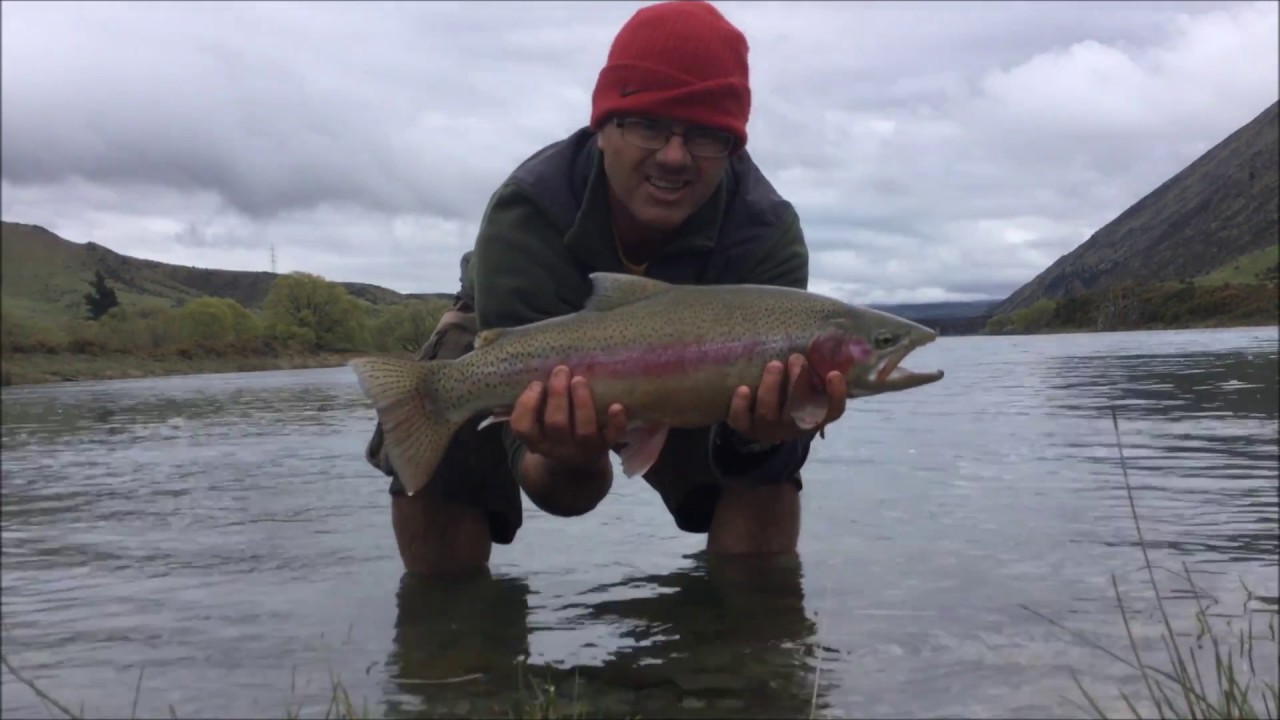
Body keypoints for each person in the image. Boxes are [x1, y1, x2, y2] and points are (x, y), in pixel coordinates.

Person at [366, 0, 848, 578]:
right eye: (647, 125)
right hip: (538, 356)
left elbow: (758, 436)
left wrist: (760, 440)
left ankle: (740, 655)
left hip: (700, 374)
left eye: (704, 136)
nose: (673, 156)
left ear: (734, 148)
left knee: (778, 441)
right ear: (602, 128)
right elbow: (565, 494)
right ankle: (450, 647)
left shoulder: (766, 234)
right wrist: (569, 454)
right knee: (453, 375)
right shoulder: (527, 214)